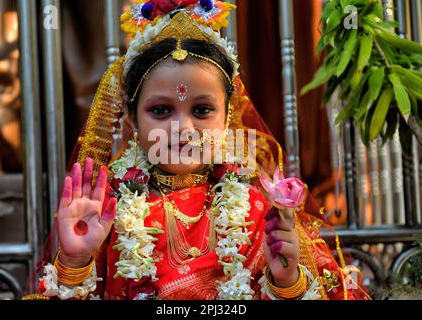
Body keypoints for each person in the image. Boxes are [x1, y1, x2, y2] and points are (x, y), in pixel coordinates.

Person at [24, 0, 370, 300]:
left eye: (202, 110)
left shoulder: (258, 208)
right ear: (130, 117)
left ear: (228, 114)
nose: (184, 129)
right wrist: (73, 262)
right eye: (161, 111)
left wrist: (286, 282)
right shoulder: (105, 209)